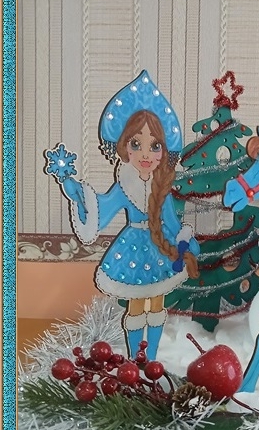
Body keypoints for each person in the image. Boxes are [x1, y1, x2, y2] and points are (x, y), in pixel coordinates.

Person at [50, 71, 200, 360]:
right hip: (132, 248)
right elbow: (101, 210)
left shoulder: (163, 187)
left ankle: (151, 358)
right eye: (136, 144)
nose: (146, 154)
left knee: (157, 305)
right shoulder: (123, 185)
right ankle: (135, 359)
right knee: (136, 306)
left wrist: (185, 242)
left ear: (164, 151)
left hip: (161, 250)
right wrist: (75, 190)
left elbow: (172, 223)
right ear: (124, 147)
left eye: (155, 146)